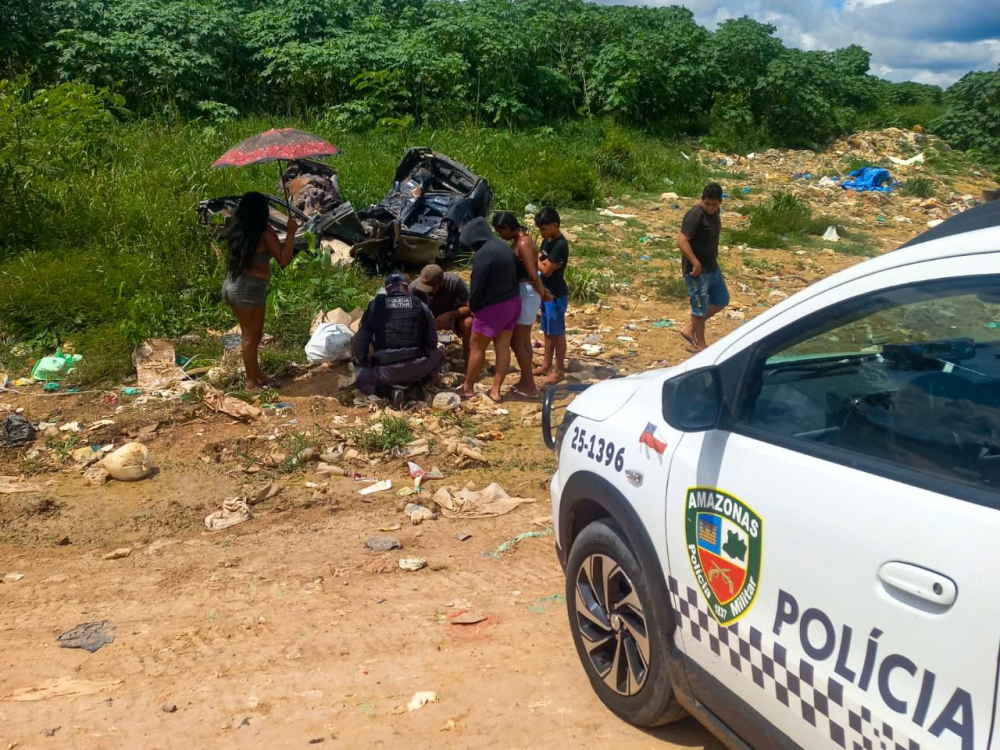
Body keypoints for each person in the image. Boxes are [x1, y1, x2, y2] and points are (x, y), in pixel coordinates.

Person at [222, 191, 297, 391]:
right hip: (249, 289)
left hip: (232, 285)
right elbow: (284, 259)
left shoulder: (237, 230)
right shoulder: (265, 232)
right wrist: (290, 233)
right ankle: (250, 382)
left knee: (251, 335)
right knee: (251, 337)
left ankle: (258, 376)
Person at [457, 217, 520, 403]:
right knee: (502, 347)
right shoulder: (501, 246)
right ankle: (496, 390)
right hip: (513, 302)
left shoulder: (483, 254)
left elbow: (476, 287)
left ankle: (467, 387)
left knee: (476, 346)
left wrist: (474, 307)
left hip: (493, 308)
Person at [352, 273, 444, 397]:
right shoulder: (420, 305)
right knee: (439, 355)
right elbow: (432, 341)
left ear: (387, 290)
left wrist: (364, 362)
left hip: (385, 370)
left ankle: (388, 392)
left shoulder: (375, 305)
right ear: (407, 288)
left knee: (361, 379)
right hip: (417, 366)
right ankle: (418, 385)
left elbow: (361, 341)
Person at [493, 211, 552, 398]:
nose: (500, 235)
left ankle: (529, 384)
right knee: (523, 340)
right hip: (527, 291)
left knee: (517, 340)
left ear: (508, 228)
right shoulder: (520, 242)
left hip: (527, 291)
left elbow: (533, 273)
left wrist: (543, 293)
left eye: (500, 231)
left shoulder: (523, 244)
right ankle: (526, 380)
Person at [677, 183, 729, 351]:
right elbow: (682, 241)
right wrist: (695, 262)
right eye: (707, 204)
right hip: (697, 271)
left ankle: (690, 329)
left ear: (720, 202)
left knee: (722, 300)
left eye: (714, 205)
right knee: (699, 308)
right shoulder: (695, 215)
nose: (710, 208)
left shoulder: (715, 213)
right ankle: (701, 345)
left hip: (712, 267)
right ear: (702, 200)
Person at [534, 207, 570, 386]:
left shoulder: (560, 244)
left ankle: (559, 370)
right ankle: (546, 365)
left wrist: (537, 261)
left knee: (558, 334)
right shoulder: (547, 241)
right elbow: (543, 262)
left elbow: (546, 270)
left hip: (556, 295)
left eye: (544, 229)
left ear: (555, 225)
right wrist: (542, 263)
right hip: (546, 294)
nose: (542, 233)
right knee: (548, 332)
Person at [409, 264, 473, 363]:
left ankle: (468, 362)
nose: (426, 291)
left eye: (430, 288)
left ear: (441, 282)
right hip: (427, 319)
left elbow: (472, 307)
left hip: (453, 316)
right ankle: (419, 361)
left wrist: (449, 315)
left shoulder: (454, 282)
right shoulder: (414, 288)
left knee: (468, 323)